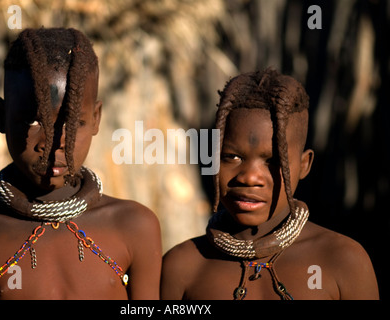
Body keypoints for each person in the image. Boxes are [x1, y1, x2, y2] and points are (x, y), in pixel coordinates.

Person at [0, 28, 162, 300]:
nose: (55, 141)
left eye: (73, 123)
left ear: (96, 118)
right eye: (34, 121)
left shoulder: (134, 226)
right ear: (2, 116)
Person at [161, 68, 379, 300]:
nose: (249, 178)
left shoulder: (343, 260)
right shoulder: (182, 267)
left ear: (305, 165)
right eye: (232, 157)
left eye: (274, 161)